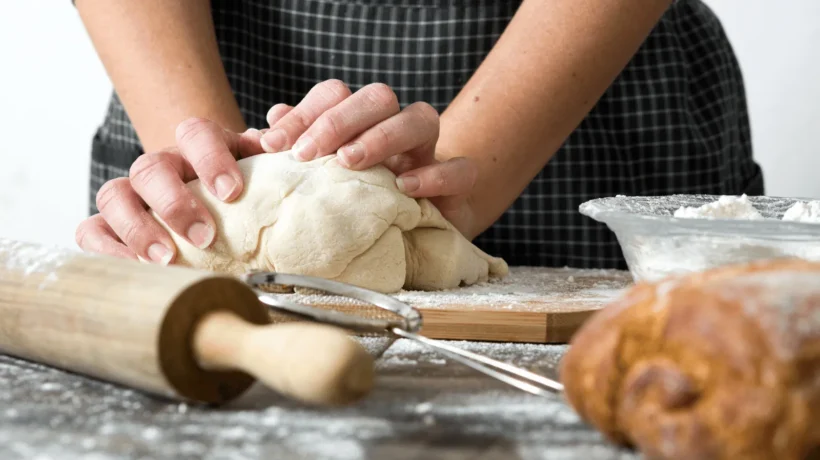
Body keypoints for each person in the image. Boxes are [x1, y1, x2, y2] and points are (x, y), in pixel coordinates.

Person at [72, 0, 764, 270]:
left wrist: (452, 178)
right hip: (209, 64)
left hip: (584, 88)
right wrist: (214, 181)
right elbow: (206, 187)